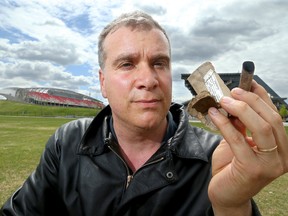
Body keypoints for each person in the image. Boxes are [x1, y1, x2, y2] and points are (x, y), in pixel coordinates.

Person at [1, 10, 288, 216]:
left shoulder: (218, 157)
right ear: (103, 82)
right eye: (127, 64)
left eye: (159, 63)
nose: (148, 79)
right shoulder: (68, 142)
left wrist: (231, 207)